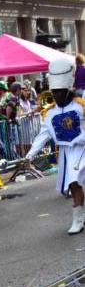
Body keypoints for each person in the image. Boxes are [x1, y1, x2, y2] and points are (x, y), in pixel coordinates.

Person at [26, 58, 85, 235]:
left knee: (77, 181)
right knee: (74, 183)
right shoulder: (50, 113)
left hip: (83, 149)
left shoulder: (80, 107)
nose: (57, 95)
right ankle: (78, 219)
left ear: (68, 90)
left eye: (60, 92)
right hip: (67, 154)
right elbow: (42, 136)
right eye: (54, 92)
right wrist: (29, 155)